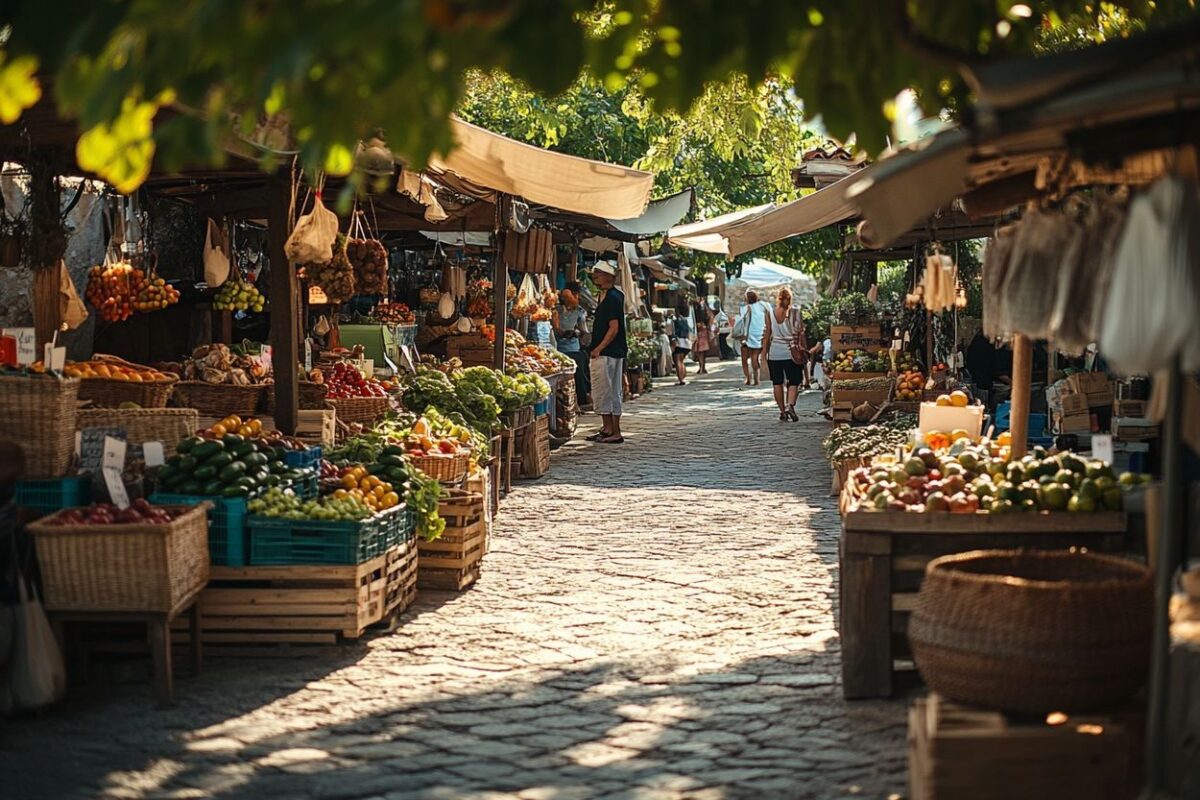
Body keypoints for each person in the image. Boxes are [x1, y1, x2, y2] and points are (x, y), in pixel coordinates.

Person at [586, 261, 628, 444]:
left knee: (611, 390)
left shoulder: (612, 297)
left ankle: (616, 431)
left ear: (608, 276)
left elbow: (614, 327)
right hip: (604, 351)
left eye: (599, 273)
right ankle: (606, 428)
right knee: (602, 390)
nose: (595, 276)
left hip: (609, 352)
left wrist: (599, 348)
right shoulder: (604, 295)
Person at [761, 286, 806, 421]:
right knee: (794, 381)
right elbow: (801, 331)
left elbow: (767, 335)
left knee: (777, 383)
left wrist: (764, 354)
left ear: (778, 298)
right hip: (792, 352)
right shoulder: (795, 312)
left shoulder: (770, 313)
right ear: (790, 298)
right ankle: (790, 405)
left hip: (775, 353)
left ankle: (782, 411)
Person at [554, 282, 590, 406]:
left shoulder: (580, 312)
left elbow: (585, 332)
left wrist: (577, 333)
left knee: (578, 375)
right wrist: (563, 333)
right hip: (558, 349)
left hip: (574, 349)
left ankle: (581, 401)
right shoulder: (557, 310)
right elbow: (556, 328)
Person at [738, 290, 768, 386]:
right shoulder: (762, 307)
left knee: (744, 358)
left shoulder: (746, 308)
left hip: (747, 336)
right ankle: (756, 378)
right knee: (755, 357)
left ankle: (748, 378)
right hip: (759, 335)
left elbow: (742, 321)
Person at [670, 303, 692, 385]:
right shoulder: (685, 320)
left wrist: (673, 339)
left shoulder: (675, 320)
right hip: (685, 342)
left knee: (678, 361)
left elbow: (672, 330)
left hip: (678, 341)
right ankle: (682, 378)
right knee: (681, 361)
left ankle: (680, 379)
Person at [691, 298, 712, 374]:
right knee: (701, 350)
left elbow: (708, 316)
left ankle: (701, 367)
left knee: (700, 350)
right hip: (702, 328)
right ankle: (702, 367)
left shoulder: (697, 305)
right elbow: (708, 316)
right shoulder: (702, 305)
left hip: (699, 328)